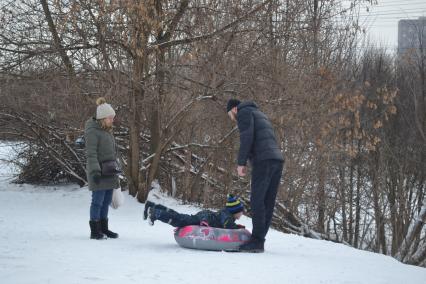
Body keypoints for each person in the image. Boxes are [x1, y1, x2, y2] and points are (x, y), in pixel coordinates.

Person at [226, 99, 284, 253]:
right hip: (277, 160)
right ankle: (259, 240)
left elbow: (247, 137)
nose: (232, 119)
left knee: (257, 200)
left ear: (234, 109)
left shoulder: (243, 113)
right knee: (267, 202)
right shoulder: (259, 113)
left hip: (263, 160)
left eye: (230, 115)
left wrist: (241, 163)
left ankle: (257, 241)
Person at [85, 97, 120, 240]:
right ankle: (95, 230)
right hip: (98, 172)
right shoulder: (92, 132)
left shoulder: (107, 130)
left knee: (106, 201)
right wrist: (94, 171)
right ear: (102, 118)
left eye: (113, 117)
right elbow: (91, 153)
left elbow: (112, 152)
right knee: (97, 202)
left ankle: (104, 228)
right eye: (110, 118)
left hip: (109, 171)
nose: (112, 120)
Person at [143, 194, 245, 229]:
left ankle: (153, 206)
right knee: (180, 221)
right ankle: (156, 213)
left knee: (179, 216)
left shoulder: (226, 213)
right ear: (235, 211)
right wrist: (237, 228)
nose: (242, 214)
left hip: (204, 216)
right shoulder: (227, 216)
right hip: (204, 218)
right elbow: (227, 225)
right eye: (241, 212)